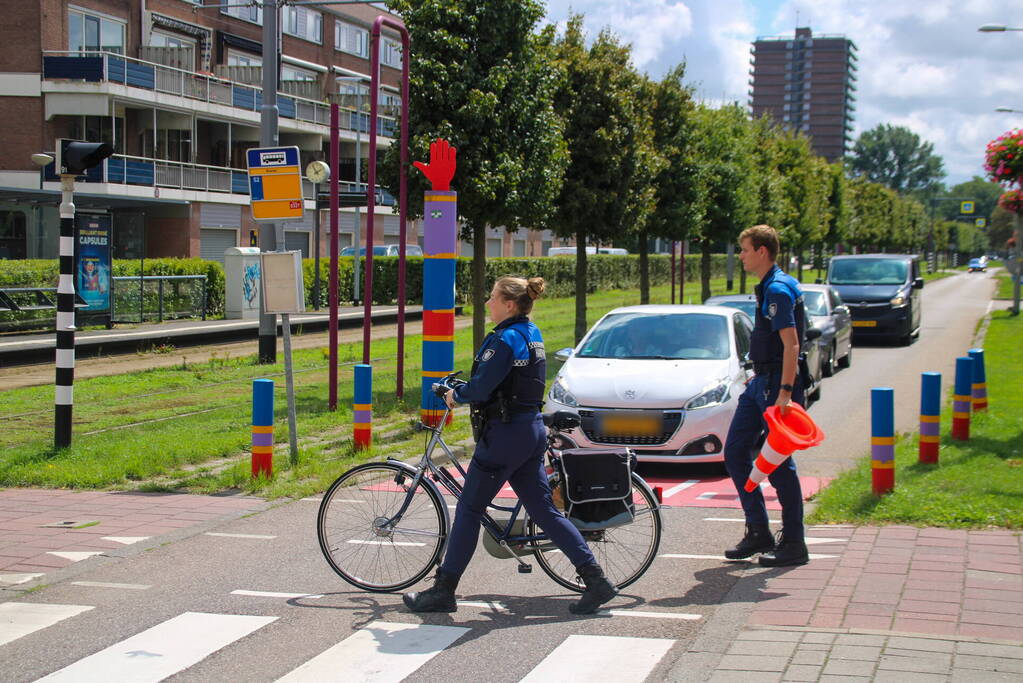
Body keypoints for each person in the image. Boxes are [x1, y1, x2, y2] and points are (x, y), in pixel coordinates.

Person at [403, 275, 617, 614]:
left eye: (492, 297)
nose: (487, 303)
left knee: (470, 509)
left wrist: (452, 394)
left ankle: (444, 590)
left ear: (509, 304)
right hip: (529, 431)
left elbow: (481, 388)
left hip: (504, 437)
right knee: (544, 510)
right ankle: (596, 580)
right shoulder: (532, 334)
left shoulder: (502, 341)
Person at [722, 225, 809, 567]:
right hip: (761, 382)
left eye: (744, 249)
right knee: (735, 452)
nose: (740, 255)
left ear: (761, 251)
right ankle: (758, 530)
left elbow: (792, 344)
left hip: (776, 385)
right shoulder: (771, 286)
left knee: (780, 464)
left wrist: (785, 393)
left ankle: (794, 543)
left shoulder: (778, 289)